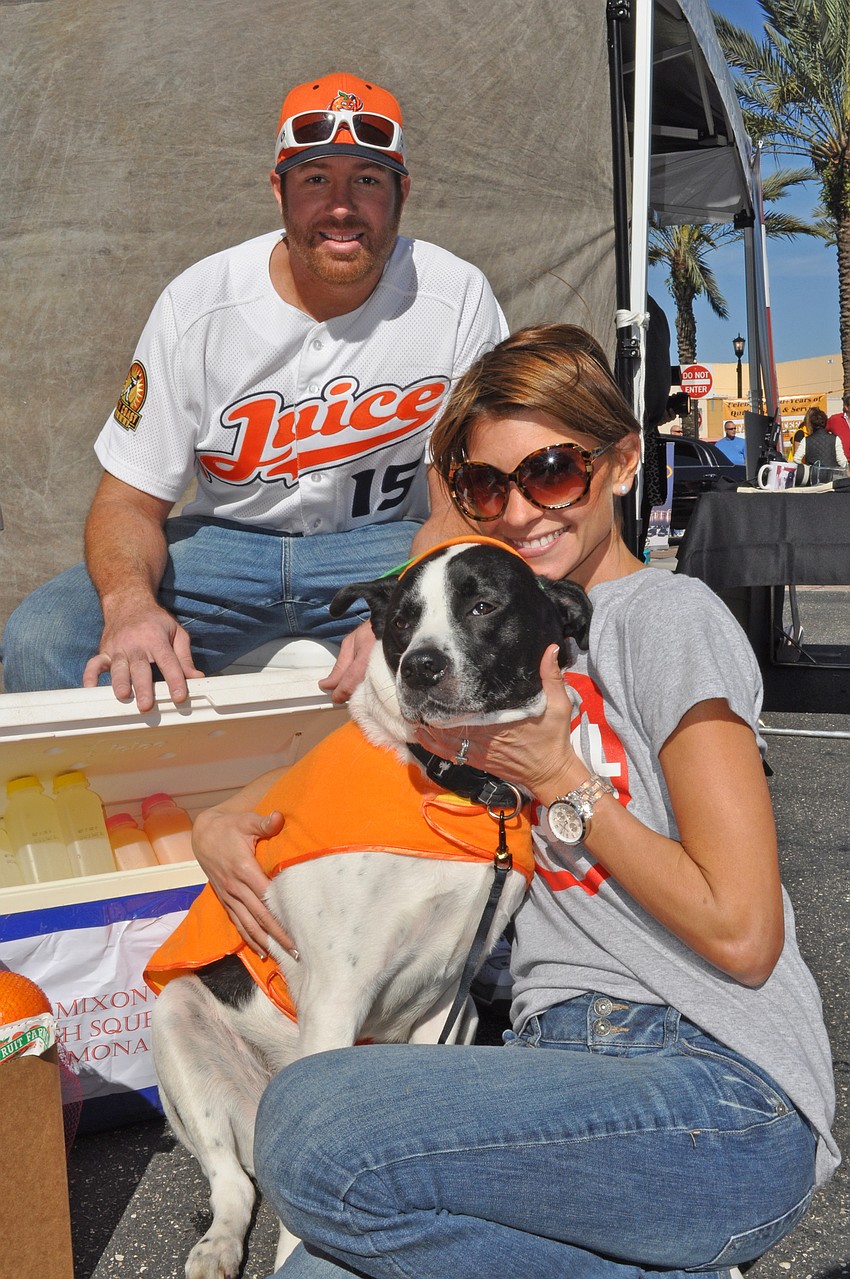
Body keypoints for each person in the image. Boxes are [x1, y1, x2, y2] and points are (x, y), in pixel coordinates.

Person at [199, 325, 838, 1278]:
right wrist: (221, 816)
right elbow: (371, 742)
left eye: (551, 472)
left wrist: (557, 781)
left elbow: (744, 931)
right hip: (554, 1076)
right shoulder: (493, 632)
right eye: (487, 488)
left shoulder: (670, 620)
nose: (521, 511)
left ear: (622, 462)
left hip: (711, 1090)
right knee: (314, 1265)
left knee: (310, 1124)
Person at [1, 72, 506, 712]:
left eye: (368, 180)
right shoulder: (198, 303)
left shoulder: (455, 297)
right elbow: (126, 502)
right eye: (316, 178)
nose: (342, 206)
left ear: (400, 193)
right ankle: (138, 809)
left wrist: (411, 609)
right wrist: (131, 606)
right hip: (224, 549)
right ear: (280, 189)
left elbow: (460, 503)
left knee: (506, 613)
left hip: (383, 547)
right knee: (42, 636)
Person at [793, 405, 848, 475]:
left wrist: (806, 471)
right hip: (831, 477)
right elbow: (843, 462)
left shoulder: (806, 440)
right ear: (826, 423)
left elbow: (796, 459)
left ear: (812, 424)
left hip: (813, 477)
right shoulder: (835, 439)